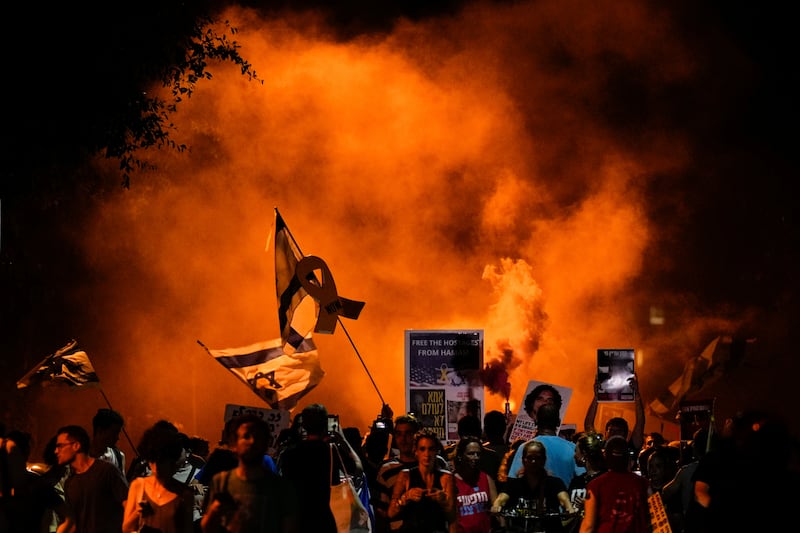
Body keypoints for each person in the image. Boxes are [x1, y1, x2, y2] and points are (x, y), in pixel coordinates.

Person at [201, 413, 298, 533]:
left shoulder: (281, 488)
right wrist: (214, 511)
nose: (252, 442)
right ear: (234, 444)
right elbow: (206, 527)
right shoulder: (221, 482)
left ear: (267, 443)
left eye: (258, 437)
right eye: (246, 436)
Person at [277, 403, 345, 533]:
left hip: (297, 521)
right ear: (325, 423)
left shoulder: (289, 455)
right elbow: (358, 468)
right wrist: (343, 440)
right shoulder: (331, 453)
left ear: (304, 425)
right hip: (324, 520)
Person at [55, 424, 129, 533]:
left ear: (76, 446)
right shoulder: (70, 483)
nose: (56, 451)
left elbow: (128, 504)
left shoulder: (106, 471)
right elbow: (75, 523)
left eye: (60, 446)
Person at [122, 421, 194, 533]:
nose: (155, 466)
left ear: (171, 460)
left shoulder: (185, 494)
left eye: (161, 461)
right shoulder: (138, 486)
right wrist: (138, 512)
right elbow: (126, 528)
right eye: (152, 460)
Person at [491, 440, 575, 533]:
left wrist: (568, 507)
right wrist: (496, 505)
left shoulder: (554, 483)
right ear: (523, 460)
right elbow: (502, 498)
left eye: (537, 458)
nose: (533, 461)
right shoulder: (514, 484)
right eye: (530, 458)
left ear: (544, 460)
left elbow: (563, 498)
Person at [388, 428, 456, 533]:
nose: (427, 454)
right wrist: (406, 497)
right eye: (422, 449)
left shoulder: (445, 478)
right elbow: (391, 513)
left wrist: (444, 501)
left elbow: (452, 518)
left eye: (431, 449)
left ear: (436, 451)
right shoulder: (406, 476)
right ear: (416, 451)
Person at [579, 435, 650, 533]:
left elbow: (588, 526)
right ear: (627, 457)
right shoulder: (645, 484)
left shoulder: (595, 485)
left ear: (606, 456)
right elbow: (655, 517)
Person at [506, 404, 584, 488]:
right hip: (564, 500)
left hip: (534, 500)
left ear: (536, 421)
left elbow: (513, 481)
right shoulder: (572, 448)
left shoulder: (525, 448)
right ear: (558, 422)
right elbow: (583, 478)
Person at [584, 376, 645, 453]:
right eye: (611, 430)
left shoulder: (630, 448)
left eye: (619, 431)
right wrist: (596, 397)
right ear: (605, 433)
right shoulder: (599, 448)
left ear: (626, 435)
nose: (615, 434)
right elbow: (588, 425)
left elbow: (640, 422)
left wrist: (636, 394)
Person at [452, 436, 497, 533]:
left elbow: (496, 509)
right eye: (471, 454)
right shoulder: (451, 481)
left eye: (478, 454)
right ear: (461, 455)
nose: (475, 457)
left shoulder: (486, 479)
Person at [568, 431, 607, 531]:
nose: (574, 455)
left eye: (576, 451)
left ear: (584, 453)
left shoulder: (604, 481)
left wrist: (589, 506)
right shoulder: (577, 480)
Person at [90, 408, 127, 477]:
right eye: (114, 433)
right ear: (100, 430)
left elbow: (121, 485)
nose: (117, 438)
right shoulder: (81, 456)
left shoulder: (119, 456)